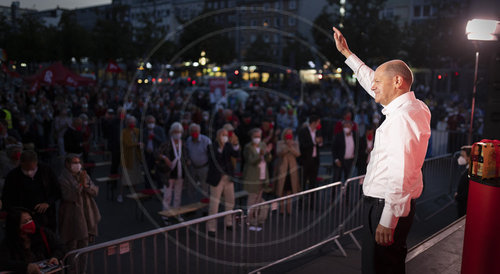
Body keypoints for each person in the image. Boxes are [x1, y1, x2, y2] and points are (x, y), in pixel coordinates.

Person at [333, 26, 431, 274]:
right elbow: (372, 83)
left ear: (397, 82)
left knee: (380, 268)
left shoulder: (402, 119)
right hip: (388, 206)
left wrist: (388, 219)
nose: (373, 86)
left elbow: (402, 171)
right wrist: (348, 54)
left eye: (378, 82)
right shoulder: (414, 107)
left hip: (384, 207)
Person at [2, 150, 61, 232]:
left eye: (32, 168)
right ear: (21, 163)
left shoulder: (46, 171)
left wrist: (47, 203)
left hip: (46, 216)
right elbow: (7, 198)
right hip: (24, 217)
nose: (29, 171)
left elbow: (57, 191)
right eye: (26, 168)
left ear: (36, 162)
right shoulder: (13, 176)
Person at [0, 208, 65, 274]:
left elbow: (60, 247)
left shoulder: (43, 233)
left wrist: (55, 257)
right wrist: (26, 267)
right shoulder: (8, 243)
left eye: (30, 219)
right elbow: (4, 262)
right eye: (25, 222)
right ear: (15, 226)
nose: (30, 223)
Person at [58, 154, 101, 251]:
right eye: (74, 163)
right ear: (67, 164)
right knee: (73, 245)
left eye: (78, 162)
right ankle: (72, 266)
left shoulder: (83, 175)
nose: (77, 165)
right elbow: (69, 196)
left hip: (86, 213)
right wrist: (80, 184)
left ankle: (82, 266)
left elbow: (95, 191)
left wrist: (86, 185)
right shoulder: (63, 179)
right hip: (71, 215)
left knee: (84, 246)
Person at [206, 128, 240, 235]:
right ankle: (211, 228)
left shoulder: (228, 145)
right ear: (218, 136)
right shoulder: (211, 147)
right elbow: (215, 159)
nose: (225, 137)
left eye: (226, 135)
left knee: (230, 201)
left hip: (228, 177)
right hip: (216, 178)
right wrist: (220, 147)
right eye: (223, 135)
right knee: (214, 205)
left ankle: (229, 222)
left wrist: (235, 143)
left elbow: (236, 154)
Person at [156, 122, 190, 223]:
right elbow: (157, 153)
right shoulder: (166, 144)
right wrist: (164, 157)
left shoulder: (183, 144)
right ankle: (165, 215)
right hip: (169, 173)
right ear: (171, 132)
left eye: (179, 132)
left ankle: (176, 213)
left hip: (180, 173)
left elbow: (186, 155)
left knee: (178, 195)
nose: (177, 134)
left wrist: (187, 161)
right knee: (167, 195)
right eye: (175, 132)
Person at [243, 128, 272, 232]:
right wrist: (261, 155)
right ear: (251, 137)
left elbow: (268, 159)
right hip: (253, 176)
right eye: (255, 136)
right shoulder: (248, 147)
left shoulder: (263, 145)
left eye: (259, 136)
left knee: (259, 199)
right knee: (252, 199)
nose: (257, 138)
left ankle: (259, 219)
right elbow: (251, 161)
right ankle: (250, 221)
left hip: (263, 175)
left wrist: (268, 153)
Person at [117, 116, 143, 203]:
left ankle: (134, 193)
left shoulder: (137, 131)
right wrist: (137, 144)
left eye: (133, 122)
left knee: (135, 176)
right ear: (127, 123)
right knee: (125, 177)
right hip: (127, 157)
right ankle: (120, 195)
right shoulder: (124, 132)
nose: (132, 124)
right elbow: (128, 143)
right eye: (130, 122)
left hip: (136, 157)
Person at [275, 128, 301, 214]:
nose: (289, 135)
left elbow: (298, 154)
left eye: (290, 133)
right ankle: (282, 209)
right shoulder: (280, 143)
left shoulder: (295, 143)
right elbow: (279, 153)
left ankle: (289, 209)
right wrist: (287, 147)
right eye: (287, 134)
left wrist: (291, 147)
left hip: (292, 169)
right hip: (283, 168)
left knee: (290, 190)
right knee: (282, 189)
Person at [185, 123, 211, 203]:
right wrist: (188, 159)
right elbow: (187, 153)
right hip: (192, 167)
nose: (194, 133)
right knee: (190, 188)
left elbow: (211, 154)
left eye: (196, 131)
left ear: (199, 131)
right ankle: (191, 207)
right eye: (192, 131)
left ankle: (205, 209)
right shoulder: (188, 140)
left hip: (203, 167)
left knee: (205, 189)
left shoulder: (206, 140)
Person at [298, 115, 323, 190]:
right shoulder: (303, 131)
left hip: (315, 160)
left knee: (313, 183)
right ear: (314, 122)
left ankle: (312, 201)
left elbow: (319, 144)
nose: (319, 124)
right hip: (305, 160)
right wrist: (314, 142)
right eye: (318, 122)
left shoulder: (318, 131)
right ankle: (301, 200)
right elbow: (302, 145)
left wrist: (320, 142)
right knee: (303, 182)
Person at [141, 115, 166, 189]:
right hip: (148, 154)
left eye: (152, 122)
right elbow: (141, 142)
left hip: (157, 154)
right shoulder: (144, 131)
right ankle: (148, 190)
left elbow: (163, 142)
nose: (151, 124)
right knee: (147, 172)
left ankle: (160, 189)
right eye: (149, 122)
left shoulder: (159, 130)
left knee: (159, 173)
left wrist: (154, 136)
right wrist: (145, 148)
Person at [454, 145, 471, 217]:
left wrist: (458, 196)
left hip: (463, 205)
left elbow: (466, 191)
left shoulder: (469, 173)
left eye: (463, 156)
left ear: (469, 158)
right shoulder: (468, 169)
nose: (460, 158)